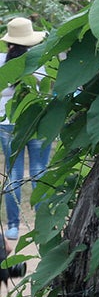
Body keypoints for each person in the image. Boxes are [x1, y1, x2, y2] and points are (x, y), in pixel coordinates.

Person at [0, 16, 50, 249]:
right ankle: (42, 222)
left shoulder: (2, 61)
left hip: (8, 124)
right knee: (40, 170)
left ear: (9, 42)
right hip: (38, 120)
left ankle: (12, 226)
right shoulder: (41, 60)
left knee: (14, 174)